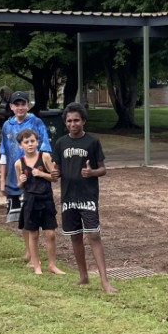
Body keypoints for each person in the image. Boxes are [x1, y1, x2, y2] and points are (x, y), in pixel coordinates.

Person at [49, 103, 116, 294]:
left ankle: (104, 281)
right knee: (75, 236)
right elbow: (58, 170)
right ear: (65, 123)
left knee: (94, 235)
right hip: (68, 197)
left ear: (83, 121)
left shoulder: (92, 142)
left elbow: (103, 169)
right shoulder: (61, 143)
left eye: (76, 120)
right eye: (69, 121)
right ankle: (83, 276)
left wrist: (92, 171)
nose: (73, 124)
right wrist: (54, 173)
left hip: (88, 197)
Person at [0, 91, 50, 250]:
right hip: (14, 180)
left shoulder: (36, 122)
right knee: (22, 217)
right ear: (11, 106)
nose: (20, 107)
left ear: (28, 105)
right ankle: (28, 251)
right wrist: (2, 180)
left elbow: (46, 149)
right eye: (17, 104)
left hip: (34, 180)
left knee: (32, 216)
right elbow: (4, 153)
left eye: (23, 104)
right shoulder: (7, 125)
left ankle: (34, 252)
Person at [13, 128, 64, 275]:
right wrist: (21, 181)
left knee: (50, 234)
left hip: (46, 199)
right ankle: (36, 265)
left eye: (32, 141)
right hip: (30, 201)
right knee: (33, 234)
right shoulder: (19, 164)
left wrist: (41, 173)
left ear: (37, 142)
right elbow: (19, 185)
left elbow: (54, 177)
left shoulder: (45, 157)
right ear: (20, 145)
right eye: (26, 142)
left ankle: (52, 265)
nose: (30, 144)